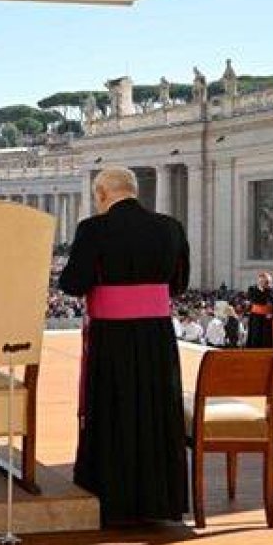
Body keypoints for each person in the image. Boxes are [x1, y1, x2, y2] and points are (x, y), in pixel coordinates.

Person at [59, 166, 189, 526]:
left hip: (113, 338)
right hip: (157, 338)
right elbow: (179, 284)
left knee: (115, 408)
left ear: (102, 193)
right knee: (154, 409)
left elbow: (73, 283)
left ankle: (115, 498)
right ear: (134, 191)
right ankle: (160, 500)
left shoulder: (93, 229)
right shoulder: (171, 227)